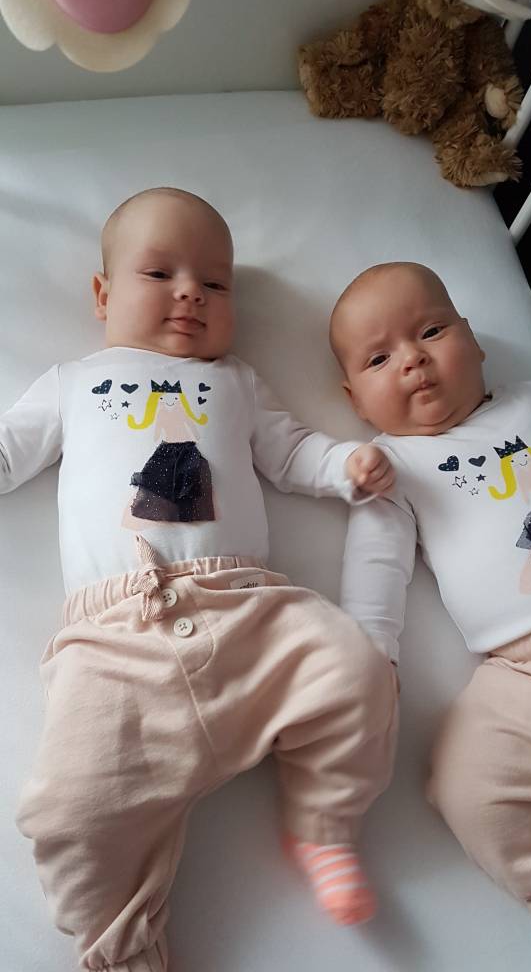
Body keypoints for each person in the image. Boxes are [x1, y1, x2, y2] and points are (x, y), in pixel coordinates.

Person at [5, 188, 399, 972]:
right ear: (102, 295)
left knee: (355, 669)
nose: (191, 293)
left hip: (251, 607)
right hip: (118, 635)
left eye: (215, 284)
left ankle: (322, 824)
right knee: (69, 810)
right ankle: (123, 946)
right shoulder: (74, 381)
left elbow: (291, 452)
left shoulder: (237, 381)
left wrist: (345, 467)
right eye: (160, 273)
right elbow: (10, 449)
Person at [330, 260, 531, 969]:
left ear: (476, 340)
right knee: (465, 783)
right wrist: (371, 656)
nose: (412, 359)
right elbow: (377, 568)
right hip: (520, 673)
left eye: (431, 331)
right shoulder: (391, 466)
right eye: (379, 359)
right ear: (355, 400)